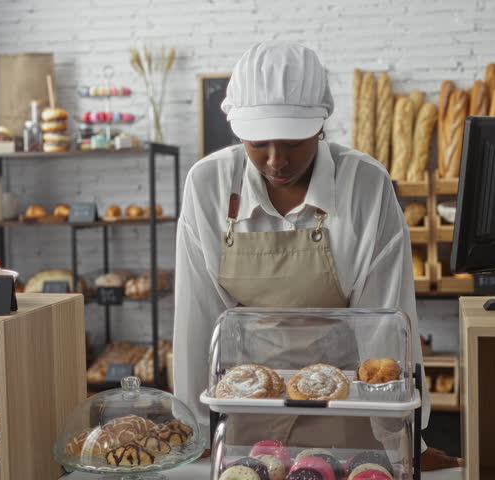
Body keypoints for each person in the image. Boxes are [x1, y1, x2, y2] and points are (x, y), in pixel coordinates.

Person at [173, 41, 462, 470]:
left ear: (321, 125)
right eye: (257, 142)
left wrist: (404, 438)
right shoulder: (208, 184)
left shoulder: (364, 185)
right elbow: (198, 318)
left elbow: (385, 322)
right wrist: (195, 430)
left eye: (292, 141)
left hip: (347, 407)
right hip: (246, 407)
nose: (275, 160)